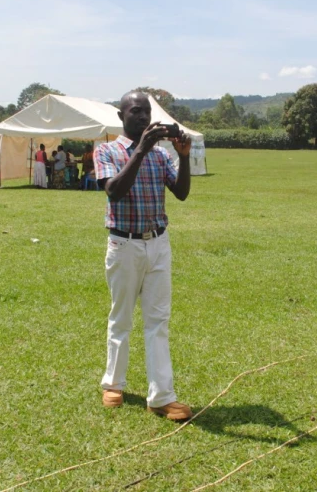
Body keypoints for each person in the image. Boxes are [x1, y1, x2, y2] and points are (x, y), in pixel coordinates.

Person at [94, 91, 193, 421]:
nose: (143, 116)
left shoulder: (161, 155)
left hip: (158, 244)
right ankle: (114, 384)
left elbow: (180, 193)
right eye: (136, 111)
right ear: (121, 116)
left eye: (146, 111)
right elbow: (114, 191)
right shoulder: (106, 150)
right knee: (121, 317)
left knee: (158, 322)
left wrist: (184, 156)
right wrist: (141, 150)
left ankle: (162, 397)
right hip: (124, 245)